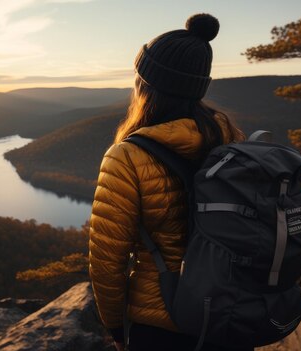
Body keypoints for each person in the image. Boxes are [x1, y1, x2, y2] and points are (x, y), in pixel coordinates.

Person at [88, 14, 249, 351]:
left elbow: (107, 262)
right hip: (229, 315)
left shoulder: (126, 156)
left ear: (145, 85)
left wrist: (116, 328)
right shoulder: (230, 137)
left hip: (162, 323)